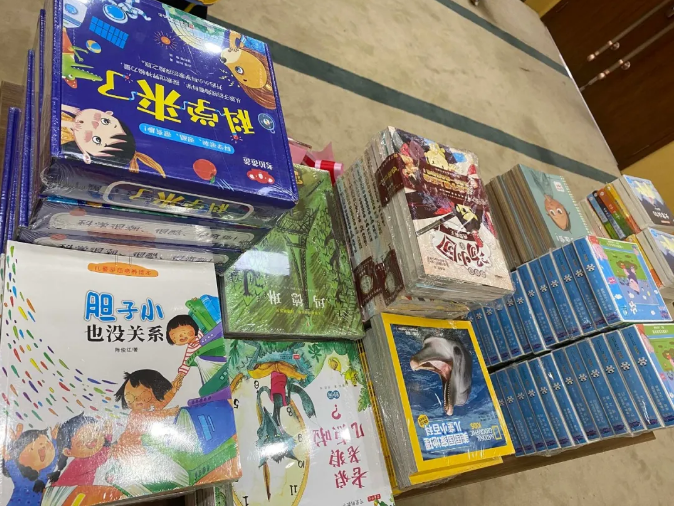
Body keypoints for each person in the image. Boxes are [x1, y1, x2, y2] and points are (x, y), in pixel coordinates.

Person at [1, 424, 58, 506]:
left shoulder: (43, 475)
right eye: (38, 447)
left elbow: (54, 460)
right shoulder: (20, 476)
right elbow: (10, 463)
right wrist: (7, 451)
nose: (44, 451)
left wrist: (54, 439)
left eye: (47, 444)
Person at [52, 414, 113, 486]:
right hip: (65, 490)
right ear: (68, 452)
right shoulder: (79, 463)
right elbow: (100, 458)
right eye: (84, 436)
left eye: (96, 431)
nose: (94, 438)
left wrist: (107, 436)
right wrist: (108, 435)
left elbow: (101, 453)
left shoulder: (85, 459)